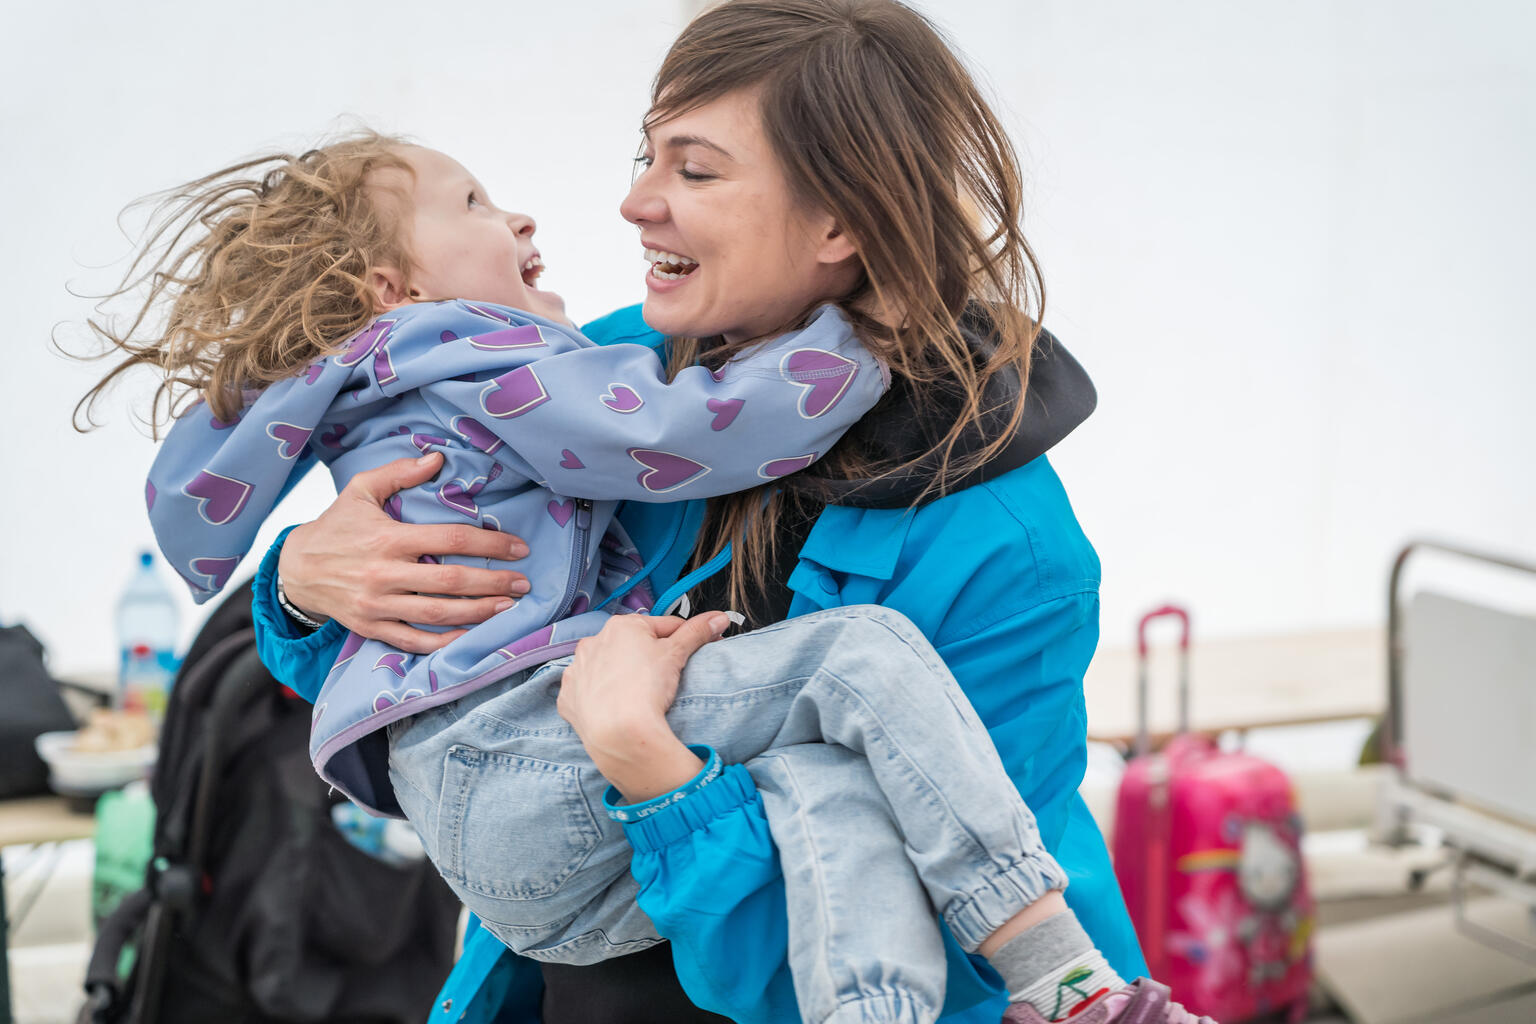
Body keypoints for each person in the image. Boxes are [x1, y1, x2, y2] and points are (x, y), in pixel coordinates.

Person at [82, 105, 1201, 1023]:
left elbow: (902, 934)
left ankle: (1047, 984)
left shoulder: (1003, 548)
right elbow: (413, 596)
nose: (631, 201)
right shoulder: (599, 368)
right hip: (521, 813)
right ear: (393, 286)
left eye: (695, 168)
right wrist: (299, 579)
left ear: (836, 223)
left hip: (652, 908)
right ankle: (1067, 983)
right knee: (855, 673)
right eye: (644, 155)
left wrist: (652, 768)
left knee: (836, 767)